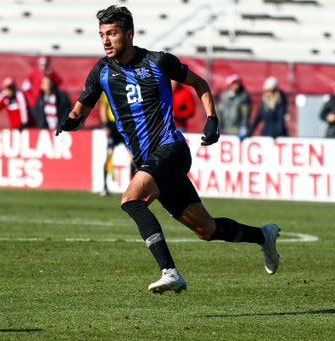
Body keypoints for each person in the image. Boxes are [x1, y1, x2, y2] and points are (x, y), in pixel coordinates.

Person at [55, 5, 281, 294]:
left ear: (129, 33)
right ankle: (264, 236)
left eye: (112, 33)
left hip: (171, 149)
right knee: (207, 230)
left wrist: (212, 119)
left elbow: (199, 83)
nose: (106, 40)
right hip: (149, 162)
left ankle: (170, 271)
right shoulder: (101, 71)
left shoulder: (158, 61)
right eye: (102, 35)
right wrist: (70, 122)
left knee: (131, 200)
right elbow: (80, 109)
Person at [98, 92, 129, 196]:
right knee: (109, 156)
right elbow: (103, 107)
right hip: (113, 126)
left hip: (126, 126)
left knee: (133, 157)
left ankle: (135, 188)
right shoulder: (107, 88)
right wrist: (105, 125)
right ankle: (105, 186)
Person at [217, 73, 251, 138]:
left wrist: (243, 127)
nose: (237, 85)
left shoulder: (243, 97)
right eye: (235, 83)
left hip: (237, 130)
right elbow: (219, 111)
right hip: (225, 129)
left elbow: (245, 114)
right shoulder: (223, 96)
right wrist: (218, 123)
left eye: (238, 83)